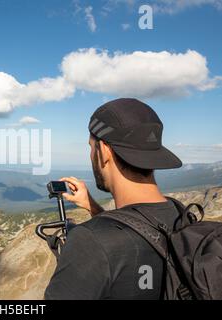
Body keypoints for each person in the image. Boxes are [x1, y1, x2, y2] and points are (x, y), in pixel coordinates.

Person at [44, 98, 183, 300]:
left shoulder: (89, 241)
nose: (91, 154)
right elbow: (136, 232)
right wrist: (92, 206)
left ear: (105, 151)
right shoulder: (181, 214)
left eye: (91, 147)